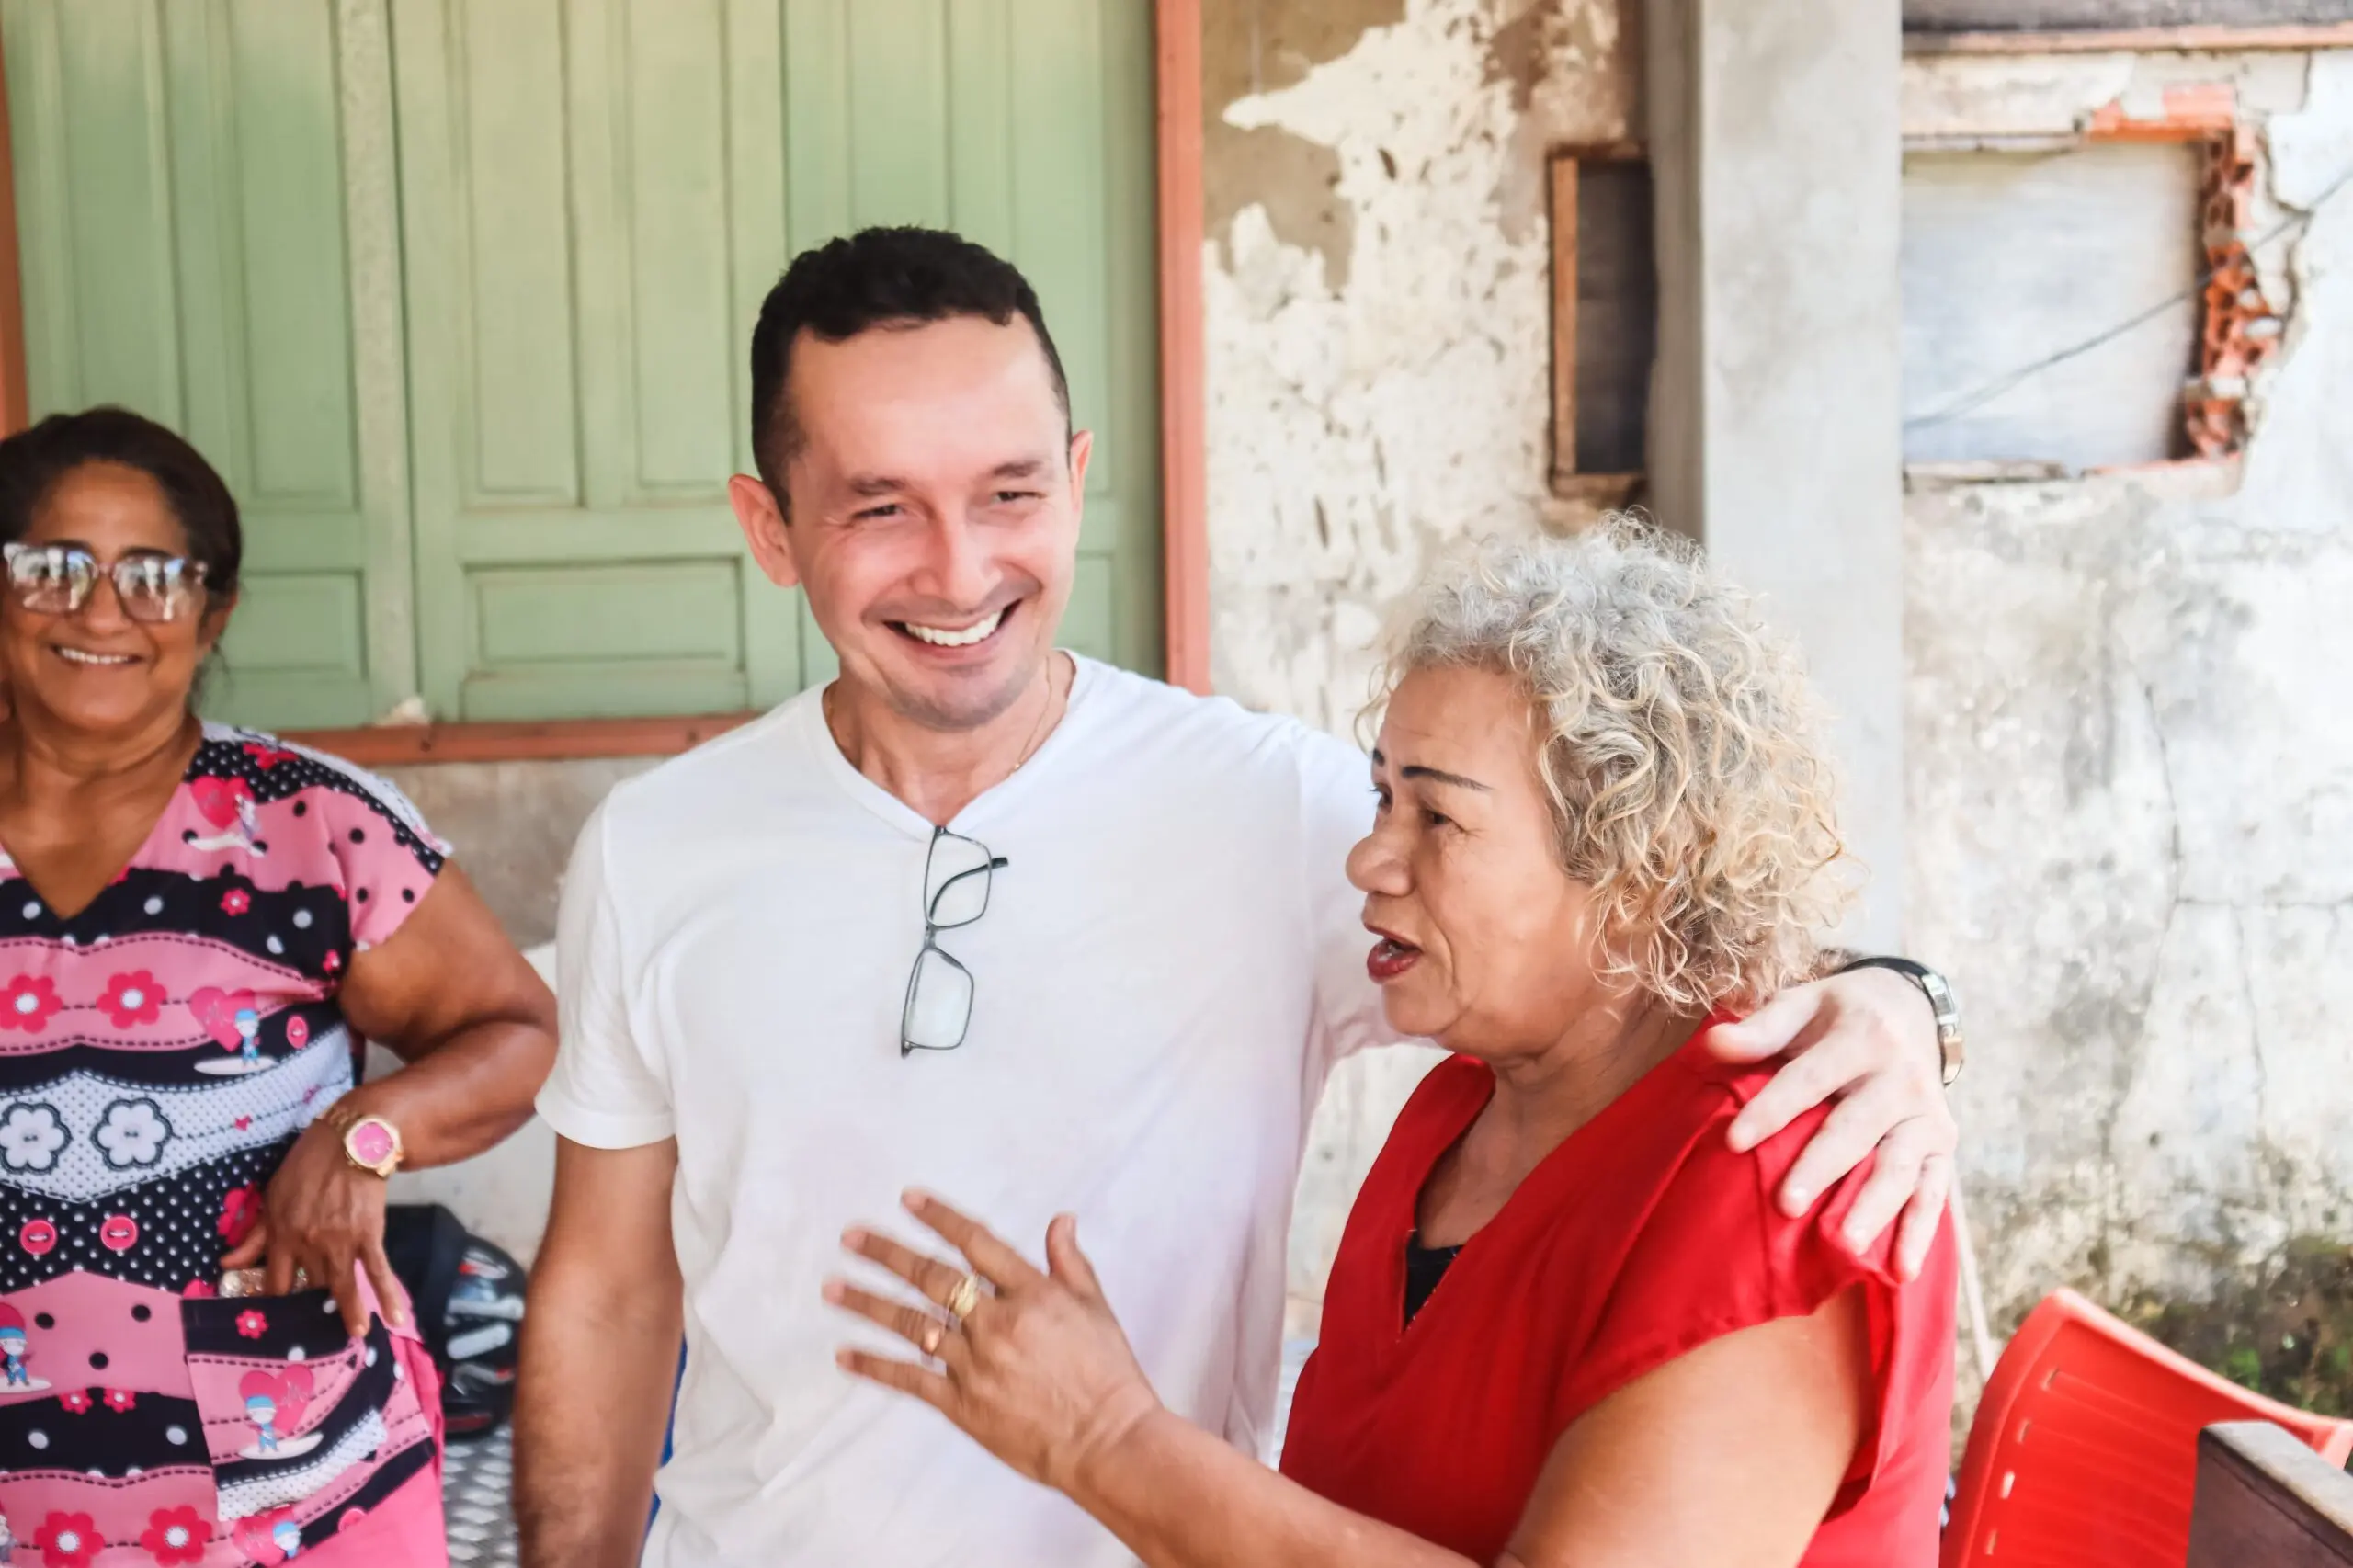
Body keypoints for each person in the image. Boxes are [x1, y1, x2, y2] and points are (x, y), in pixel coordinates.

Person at [516, 227, 1961, 1568]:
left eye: (1010, 493)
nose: (959, 568)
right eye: (881, 507)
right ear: (771, 526)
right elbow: (608, 1293)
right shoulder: (656, 849)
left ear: (1076, 478)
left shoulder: (1269, 808)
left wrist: (1901, 1001)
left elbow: (1648, 926)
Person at [831, 527, 1958, 1567]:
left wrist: (1106, 1437)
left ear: (1638, 872)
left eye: (1439, 818)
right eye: (1381, 798)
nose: (1368, 859)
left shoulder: (1779, 1179)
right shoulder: (1456, 1111)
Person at [0, 409, 558, 1565]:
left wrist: (364, 1132)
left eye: (153, 576)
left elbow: (516, 1033)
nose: (100, 612)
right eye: (54, 568)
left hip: (298, 1499)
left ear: (213, 612)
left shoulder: (309, 825)